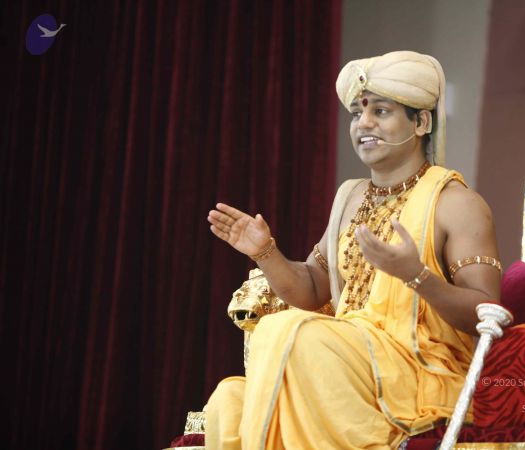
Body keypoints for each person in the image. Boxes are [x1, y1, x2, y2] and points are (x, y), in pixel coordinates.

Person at [205, 50, 501, 450]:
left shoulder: (457, 203)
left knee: (287, 331)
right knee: (229, 399)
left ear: (421, 122)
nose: (363, 123)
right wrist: (265, 252)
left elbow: (486, 313)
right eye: (358, 112)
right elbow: (312, 289)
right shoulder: (351, 197)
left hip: (418, 372)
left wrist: (415, 275)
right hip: (346, 361)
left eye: (381, 111)